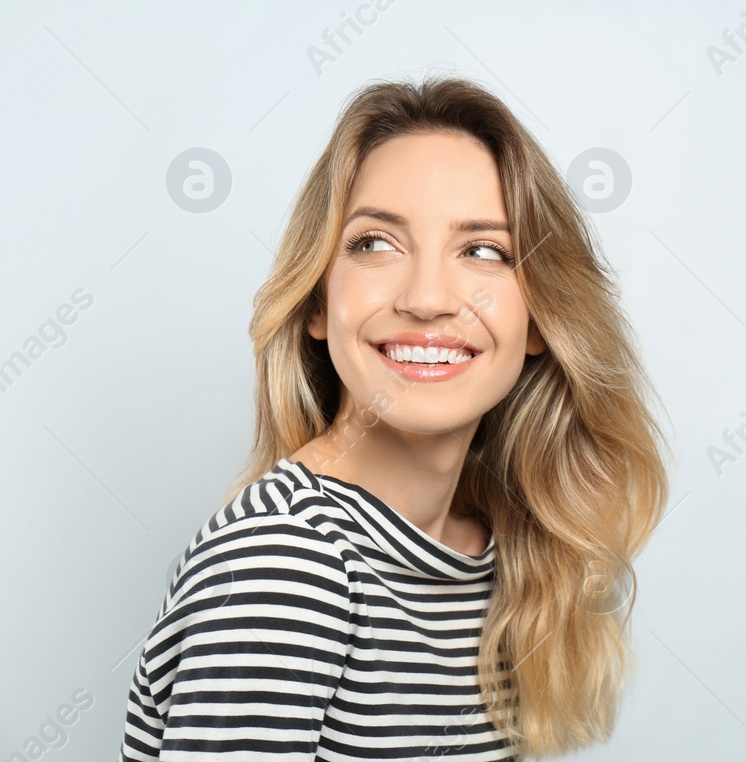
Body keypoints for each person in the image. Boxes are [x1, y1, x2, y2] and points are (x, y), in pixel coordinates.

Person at [120, 77, 671, 760]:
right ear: (317, 303)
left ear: (539, 319)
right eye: (376, 243)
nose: (429, 298)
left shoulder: (496, 556)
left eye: (483, 251)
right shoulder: (287, 566)